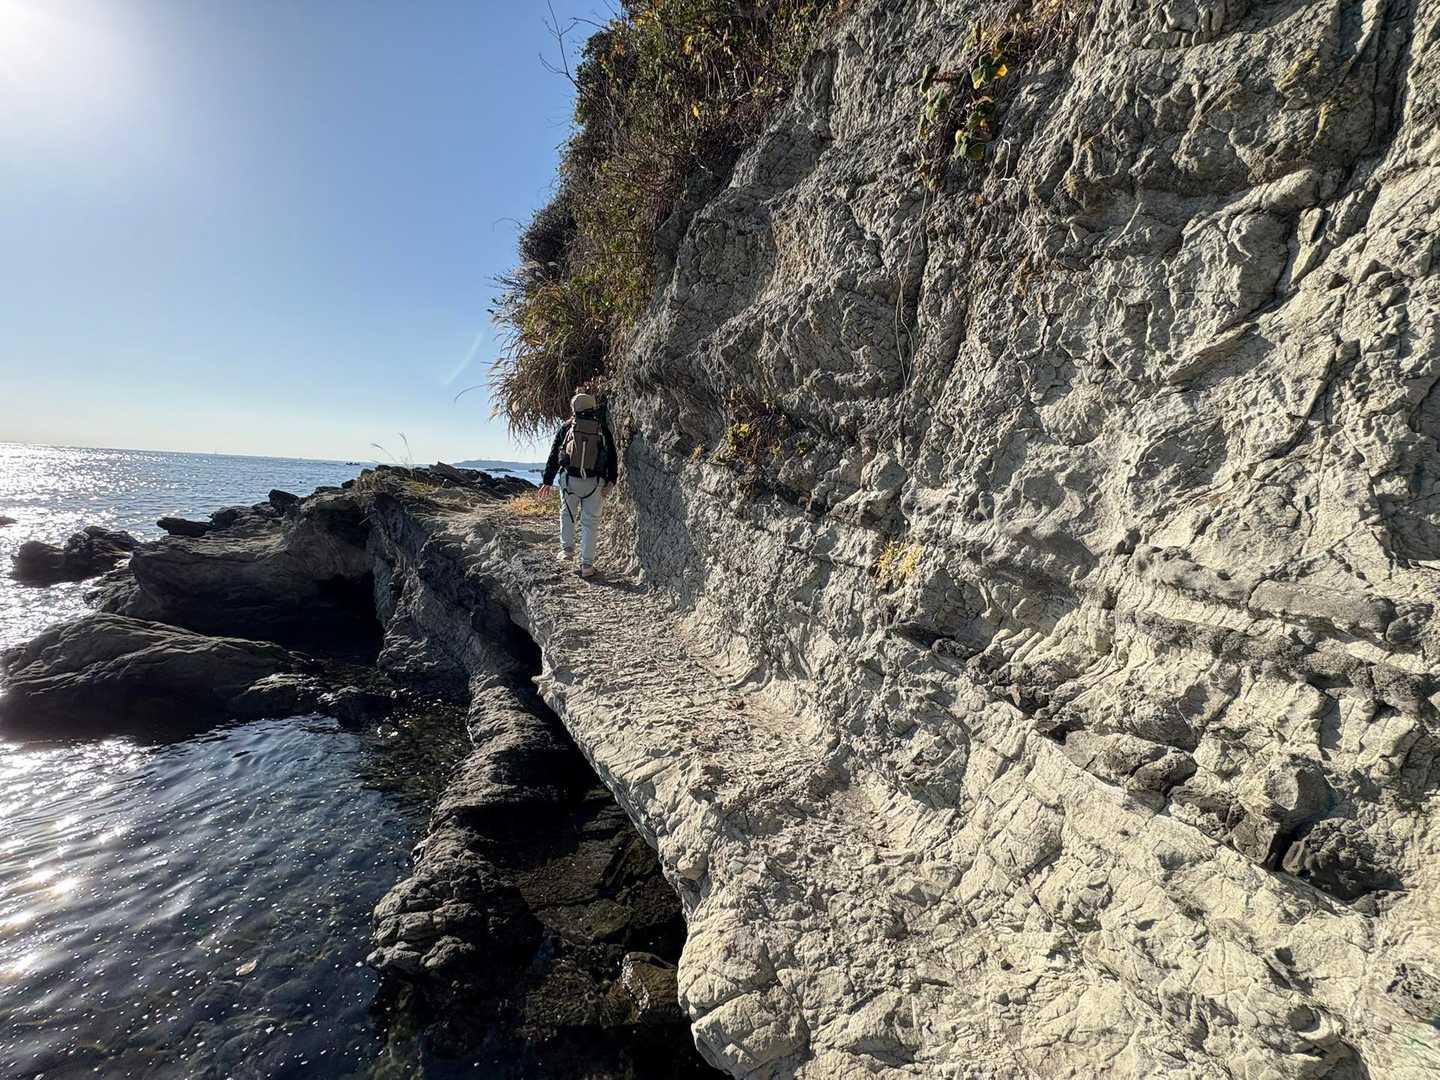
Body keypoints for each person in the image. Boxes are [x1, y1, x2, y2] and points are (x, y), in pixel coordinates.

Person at [538, 393, 618, 578]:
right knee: (590, 523)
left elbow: (554, 455)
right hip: (594, 482)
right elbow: (612, 457)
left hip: (570, 481)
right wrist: (611, 480)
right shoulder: (602, 428)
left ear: (575, 408)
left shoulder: (566, 427)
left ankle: (567, 550)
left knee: (567, 514)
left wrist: (547, 481)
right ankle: (587, 565)